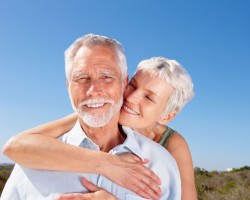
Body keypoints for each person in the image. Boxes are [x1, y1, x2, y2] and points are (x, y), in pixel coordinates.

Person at [1, 34, 181, 200]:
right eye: (81, 78)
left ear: (123, 83)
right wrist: (108, 164)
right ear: (67, 86)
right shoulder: (31, 161)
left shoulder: (161, 164)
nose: (93, 90)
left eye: (106, 76)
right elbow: (13, 146)